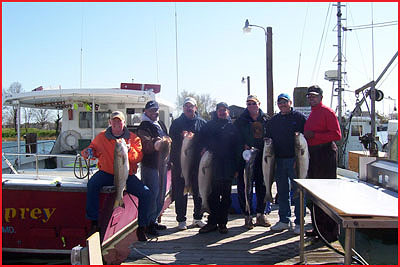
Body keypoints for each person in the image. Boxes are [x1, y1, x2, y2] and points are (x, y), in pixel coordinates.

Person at [82, 111, 153, 242]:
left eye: (119, 121)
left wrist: (130, 150)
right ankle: (94, 222)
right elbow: (92, 150)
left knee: (146, 194)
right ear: (110, 122)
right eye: (113, 121)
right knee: (92, 184)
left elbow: (138, 157)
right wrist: (87, 152)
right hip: (106, 173)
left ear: (124, 123)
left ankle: (142, 227)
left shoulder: (133, 138)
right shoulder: (101, 137)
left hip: (126, 175)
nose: (116, 123)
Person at [303, 85, 342, 241]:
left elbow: (337, 135)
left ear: (320, 97)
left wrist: (314, 135)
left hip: (325, 155)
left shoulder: (327, 112)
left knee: (326, 194)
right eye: (309, 96)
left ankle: (331, 232)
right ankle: (318, 228)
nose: (311, 98)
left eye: (314, 96)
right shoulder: (312, 113)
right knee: (315, 193)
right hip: (313, 155)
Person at [197, 102, 241, 234]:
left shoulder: (233, 128)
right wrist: (203, 148)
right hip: (211, 166)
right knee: (212, 196)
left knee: (226, 197)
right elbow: (199, 141)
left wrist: (237, 168)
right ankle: (212, 222)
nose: (222, 112)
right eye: (220, 110)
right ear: (216, 112)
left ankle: (223, 223)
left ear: (228, 112)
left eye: (224, 110)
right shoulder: (208, 126)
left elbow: (237, 149)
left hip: (228, 167)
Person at [266, 93, 306, 235]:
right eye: (280, 103)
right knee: (282, 192)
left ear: (290, 102)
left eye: (285, 102)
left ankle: (300, 222)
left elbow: (305, 139)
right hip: (279, 161)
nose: (282, 105)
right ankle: (284, 220)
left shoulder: (299, 118)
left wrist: (299, 159)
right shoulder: (273, 121)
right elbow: (268, 139)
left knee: (299, 192)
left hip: (296, 161)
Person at [234, 95, 271, 229]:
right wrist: (242, 145)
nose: (251, 106)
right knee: (245, 187)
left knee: (262, 185)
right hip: (246, 158)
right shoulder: (240, 121)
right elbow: (235, 138)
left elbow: (271, 136)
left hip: (262, 158)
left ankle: (261, 214)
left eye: (253, 103)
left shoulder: (266, 119)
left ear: (259, 104)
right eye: (248, 104)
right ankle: (247, 215)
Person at [169, 97, 206, 230]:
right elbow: (171, 142)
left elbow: (207, 140)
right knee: (180, 191)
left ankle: (198, 217)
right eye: (186, 106)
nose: (188, 108)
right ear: (183, 108)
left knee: (198, 190)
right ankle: (181, 220)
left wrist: (205, 148)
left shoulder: (202, 123)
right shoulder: (176, 123)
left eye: (191, 106)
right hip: (180, 163)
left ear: (196, 108)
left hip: (198, 163)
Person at [137, 100, 170, 236]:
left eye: (156, 110)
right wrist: (156, 144)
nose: (154, 113)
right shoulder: (143, 126)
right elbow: (145, 144)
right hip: (150, 166)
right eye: (151, 110)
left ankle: (154, 220)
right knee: (153, 194)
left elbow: (167, 140)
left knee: (161, 194)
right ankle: (148, 224)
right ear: (145, 112)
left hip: (162, 164)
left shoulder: (160, 124)